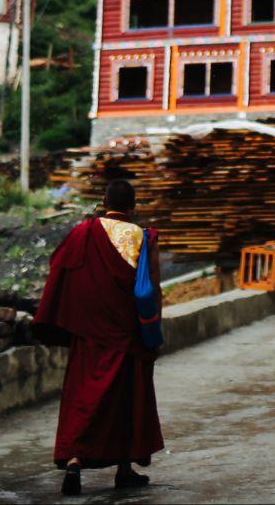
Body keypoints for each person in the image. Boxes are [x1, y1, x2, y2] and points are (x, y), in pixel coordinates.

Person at [34, 180, 165, 496]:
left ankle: (75, 462)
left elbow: (60, 269)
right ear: (132, 207)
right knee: (126, 400)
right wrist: (152, 331)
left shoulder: (83, 233)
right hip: (125, 335)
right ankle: (124, 469)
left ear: (103, 202)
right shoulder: (141, 237)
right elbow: (150, 290)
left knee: (84, 398)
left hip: (89, 333)